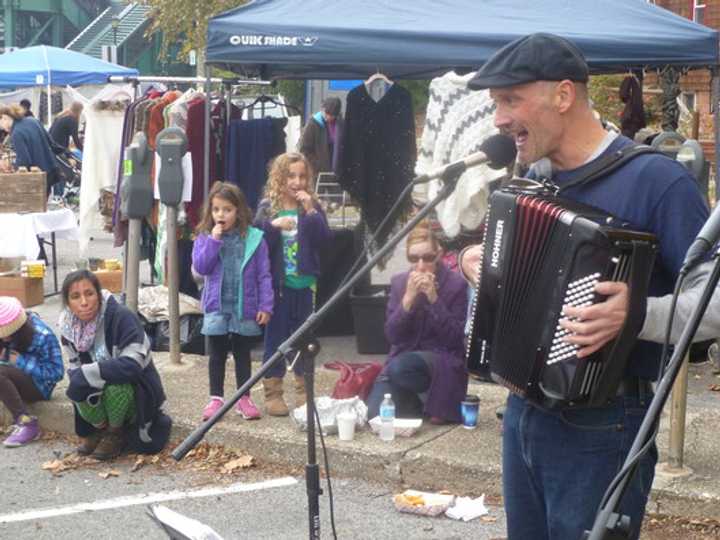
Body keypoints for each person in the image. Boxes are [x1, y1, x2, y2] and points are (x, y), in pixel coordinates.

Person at [460, 33, 709, 540]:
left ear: (564, 95)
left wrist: (640, 315)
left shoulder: (658, 183)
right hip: (523, 411)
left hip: (607, 422)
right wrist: (477, 262)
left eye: (510, 100)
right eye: (495, 104)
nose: (499, 119)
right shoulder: (530, 180)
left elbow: (714, 296)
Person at [59, 270, 171, 461]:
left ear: (99, 295)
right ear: (68, 303)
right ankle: (98, 429)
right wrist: (85, 379)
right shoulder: (68, 329)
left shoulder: (122, 317)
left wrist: (89, 374)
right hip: (98, 389)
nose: (84, 302)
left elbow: (132, 366)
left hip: (137, 389)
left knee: (116, 386)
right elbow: (75, 370)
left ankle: (115, 433)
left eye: (89, 293)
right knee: (77, 384)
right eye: (75, 297)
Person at [366, 222, 468, 424]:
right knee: (376, 415)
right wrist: (407, 300)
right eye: (414, 258)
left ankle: (434, 399)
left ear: (439, 254)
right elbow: (393, 336)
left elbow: (454, 339)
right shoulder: (398, 282)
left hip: (441, 357)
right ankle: (423, 404)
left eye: (428, 258)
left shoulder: (456, 284)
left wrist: (433, 298)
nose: (421, 265)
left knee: (401, 368)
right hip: (403, 358)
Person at [254, 152, 331, 416]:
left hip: (305, 285)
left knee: (304, 340)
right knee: (276, 339)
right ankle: (273, 392)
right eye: (291, 176)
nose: (297, 181)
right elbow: (256, 242)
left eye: (302, 176)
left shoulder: (311, 207)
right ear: (279, 178)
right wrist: (273, 226)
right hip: (278, 288)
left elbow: (324, 240)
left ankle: (304, 391)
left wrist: (310, 210)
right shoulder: (268, 207)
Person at [192, 181, 274, 421]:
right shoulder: (205, 237)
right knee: (216, 354)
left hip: (244, 307)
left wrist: (265, 305)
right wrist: (214, 240)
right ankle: (215, 398)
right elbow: (201, 267)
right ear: (210, 211)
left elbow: (264, 274)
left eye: (227, 209)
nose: (221, 215)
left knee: (242, 354)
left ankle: (243, 398)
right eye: (216, 209)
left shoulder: (254, 238)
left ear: (238, 211)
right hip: (216, 308)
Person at [0, 296, 64, 447]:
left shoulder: (43, 335)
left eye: (6, 335)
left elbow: (57, 373)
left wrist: (21, 362)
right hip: (11, 376)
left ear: (17, 328)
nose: (5, 339)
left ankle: (26, 423)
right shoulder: (6, 335)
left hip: (39, 386)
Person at [0, 104, 58, 194]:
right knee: (44, 204)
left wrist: (13, 169)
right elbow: (52, 143)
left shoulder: (16, 133)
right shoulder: (33, 120)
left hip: (37, 177)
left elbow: (24, 160)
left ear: (5, 118)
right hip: (51, 170)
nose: (2, 128)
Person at [298, 96, 343, 179]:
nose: (328, 117)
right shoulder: (313, 124)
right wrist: (317, 165)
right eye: (326, 113)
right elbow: (304, 150)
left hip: (336, 173)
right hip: (317, 173)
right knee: (316, 192)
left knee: (336, 192)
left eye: (331, 115)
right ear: (322, 109)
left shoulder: (341, 124)